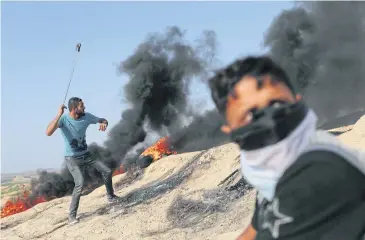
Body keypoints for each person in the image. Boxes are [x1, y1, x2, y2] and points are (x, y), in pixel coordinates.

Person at [208, 56, 365, 240]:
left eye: (276, 104)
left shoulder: (318, 173)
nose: (269, 119)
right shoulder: (276, 171)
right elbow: (252, 232)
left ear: (297, 101)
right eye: (251, 115)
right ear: (230, 129)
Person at [46, 97, 120, 225]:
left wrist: (104, 123)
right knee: (79, 183)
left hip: (86, 156)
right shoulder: (63, 120)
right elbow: (48, 132)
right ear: (74, 109)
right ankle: (71, 216)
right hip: (72, 159)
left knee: (107, 171)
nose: (84, 107)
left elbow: (102, 119)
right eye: (82, 106)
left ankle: (111, 196)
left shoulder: (86, 116)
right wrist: (58, 114)